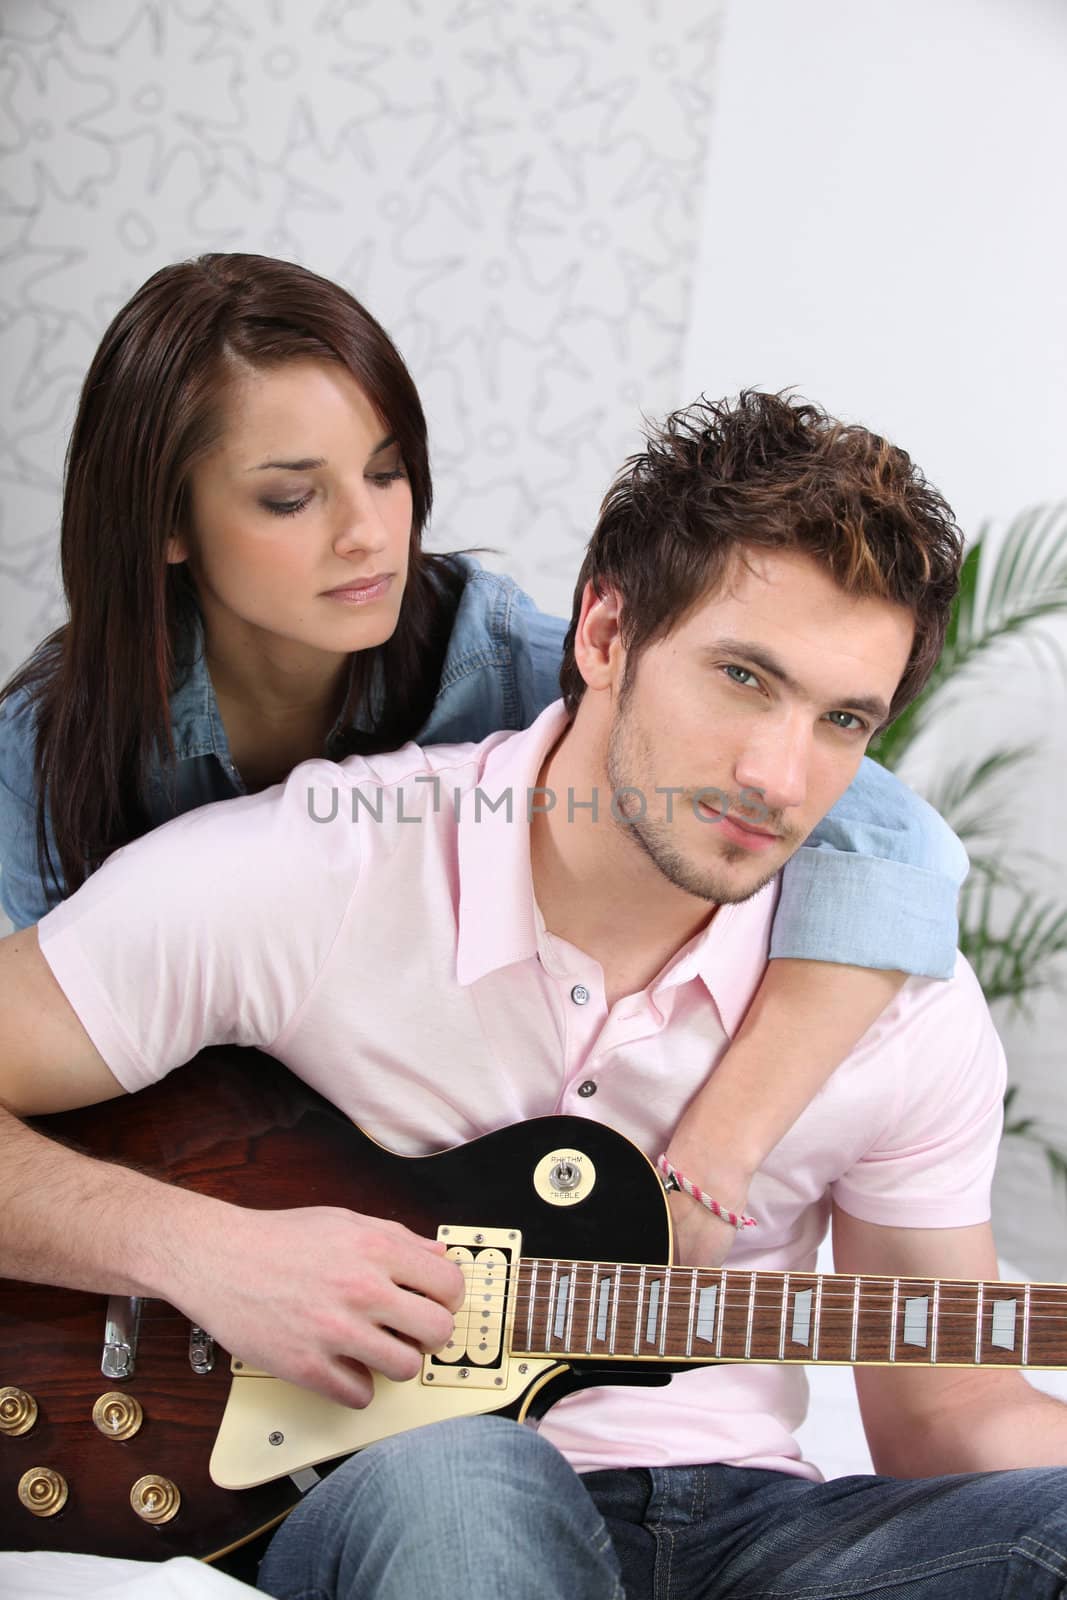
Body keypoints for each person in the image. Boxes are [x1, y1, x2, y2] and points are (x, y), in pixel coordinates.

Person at [2, 390, 1066, 1600]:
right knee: (463, 1481)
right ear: (604, 636)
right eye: (738, 677)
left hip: (746, 1526)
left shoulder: (904, 1013)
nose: (778, 775)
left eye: (840, 721)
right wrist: (202, 1251)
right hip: (413, 1492)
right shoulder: (321, 869)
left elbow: (948, 1410)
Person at [0, 255, 964, 1264]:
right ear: (163, 521)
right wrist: (221, 1257)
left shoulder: (506, 665)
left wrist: (716, 1147)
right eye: (291, 497)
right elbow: (71, 1107)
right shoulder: (49, 748)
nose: (370, 534)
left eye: (386, 472)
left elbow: (892, 845)